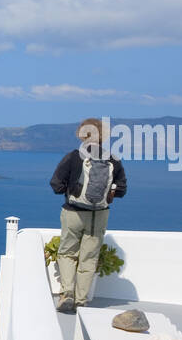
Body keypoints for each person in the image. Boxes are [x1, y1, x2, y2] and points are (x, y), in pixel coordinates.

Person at [49, 117, 127, 313]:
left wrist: (72, 191)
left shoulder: (74, 156)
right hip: (98, 216)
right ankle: (81, 300)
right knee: (89, 258)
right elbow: (122, 190)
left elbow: (56, 184)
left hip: (73, 213)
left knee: (67, 253)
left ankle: (67, 293)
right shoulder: (113, 160)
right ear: (104, 137)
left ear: (82, 134)